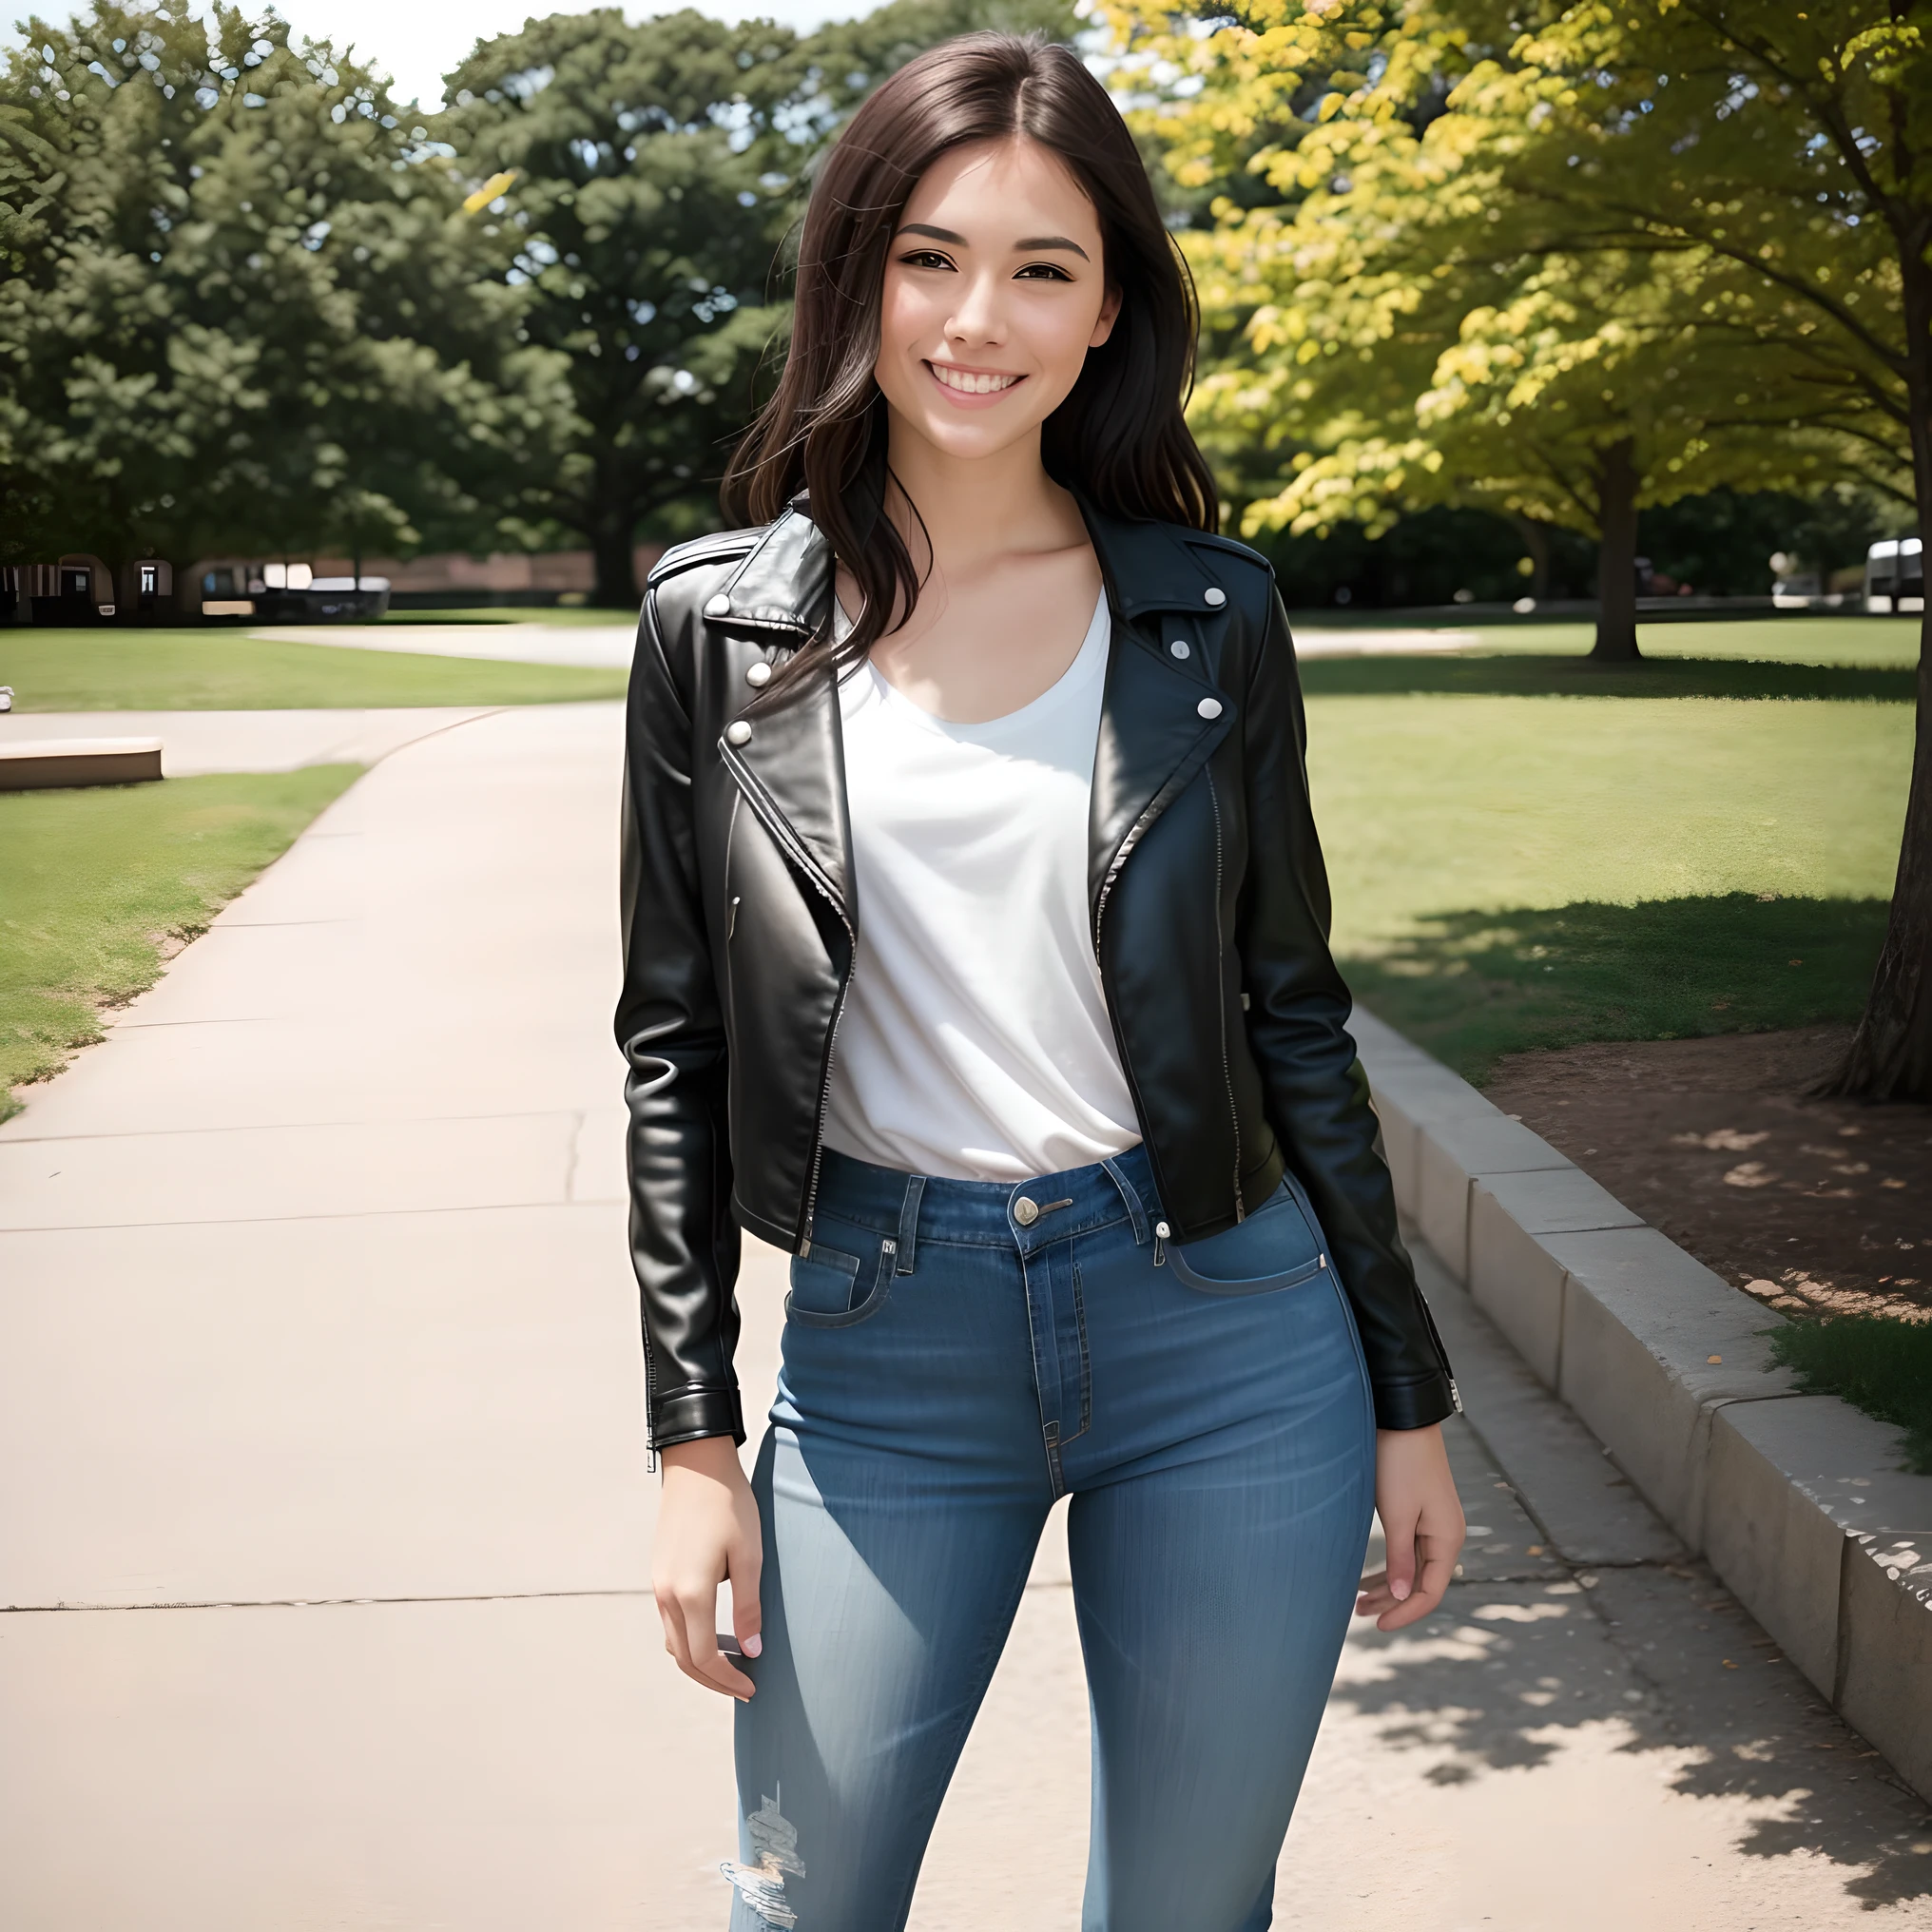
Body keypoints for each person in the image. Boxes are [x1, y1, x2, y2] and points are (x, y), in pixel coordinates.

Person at [616, 32, 1465, 1931]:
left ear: (1105, 316)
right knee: (799, 1901)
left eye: (1040, 268)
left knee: (1184, 1910)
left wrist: (1407, 1396)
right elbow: (667, 1049)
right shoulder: (714, 629)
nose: (973, 318)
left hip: (1229, 1338)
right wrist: (690, 1440)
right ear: (856, 277)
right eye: (926, 257)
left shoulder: (1205, 618)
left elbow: (1290, 1016)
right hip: (883, 1344)